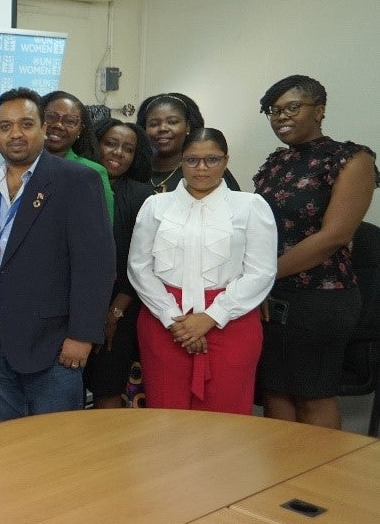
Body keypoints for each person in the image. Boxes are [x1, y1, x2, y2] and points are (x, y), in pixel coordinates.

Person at [0, 87, 115, 422]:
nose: (15, 133)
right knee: (8, 443)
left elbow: (96, 265)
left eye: (25, 124)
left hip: (55, 344)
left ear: (43, 128)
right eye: (5, 126)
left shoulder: (77, 181)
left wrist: (82, 334)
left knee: (55, 447)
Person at [253, 75, 379, 429]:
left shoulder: (351, 159)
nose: (281, 117)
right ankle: (282, 477)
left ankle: (318, 477)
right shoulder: (276, 163)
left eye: (292, 107)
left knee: (312, 394)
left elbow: (334, 236)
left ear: (319, 111)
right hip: (270, 294)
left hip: (322, 297)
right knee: (275, 392)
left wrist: (262, 277)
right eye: (274, 111)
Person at [129, 128, 277, 414]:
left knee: (225, 416)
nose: (201, 168)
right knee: (166, 413)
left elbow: (261, 272)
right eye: (192, 160)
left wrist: (211, 317)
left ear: (225, 160)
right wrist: (174, 320)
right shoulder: (156, 205)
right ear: (181, 161)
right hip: (165, 321)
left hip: (231, 322)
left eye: (211, 159)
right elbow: (139, 267)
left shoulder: (250, 206)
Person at [85, 119, 155, 408]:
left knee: (108, 387)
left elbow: (142, 258)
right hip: (74, 304)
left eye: (128, 148)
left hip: (121, 305)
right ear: (95, 144)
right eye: (110, 143)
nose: (118, 153)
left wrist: (114, 313)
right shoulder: (77, 182)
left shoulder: (142, 195)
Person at [138, 93, 241, 193]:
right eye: (154, 124)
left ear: (188, 126)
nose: (163, 128)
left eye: (173, 122)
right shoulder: (135, 170)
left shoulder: (208, 170)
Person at [39, 90, 114, 222]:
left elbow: (102, 230)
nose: (58, 125)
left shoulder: (93, 172)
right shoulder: (22, 165)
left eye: (69, 121)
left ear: (80, 130)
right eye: (51, 117)